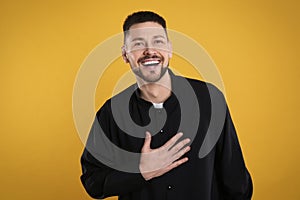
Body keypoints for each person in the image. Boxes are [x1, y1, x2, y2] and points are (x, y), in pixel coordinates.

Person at [80, 11, 253, 200]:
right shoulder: (112, 113)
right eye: (138, 44)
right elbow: (93, 182)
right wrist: (141, 171)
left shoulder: (210, 100)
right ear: (125, 55)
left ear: (169, 49)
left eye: (158, 42)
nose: (149, 51)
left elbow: (235, 181)